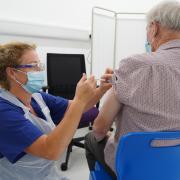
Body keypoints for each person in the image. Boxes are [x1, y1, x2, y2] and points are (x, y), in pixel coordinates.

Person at [85, 1, 180, 179]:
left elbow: (99, 127)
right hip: (175, 167)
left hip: (134, 167)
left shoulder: (135, 65)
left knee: (91, 138)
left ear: (154, 28)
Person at [0, 42, 113, 180]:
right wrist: (79, 99)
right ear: (12, 72)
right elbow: (50, 150)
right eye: (34, 65)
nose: (40, 70)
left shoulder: (36, 97)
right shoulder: (3, 111)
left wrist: (101, 90)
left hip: (45, 175)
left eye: (40, 65)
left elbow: (78, 108)